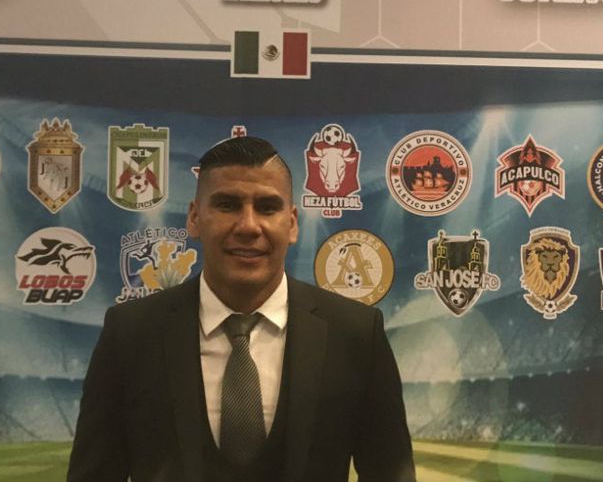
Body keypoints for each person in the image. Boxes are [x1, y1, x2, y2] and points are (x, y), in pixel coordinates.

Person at [68, 136, 415, 482]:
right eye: (227, 205)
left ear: (292, 223)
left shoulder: (355, 334)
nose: (248, 226)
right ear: (194, 217)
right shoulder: (130, 333)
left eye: (267, 207)